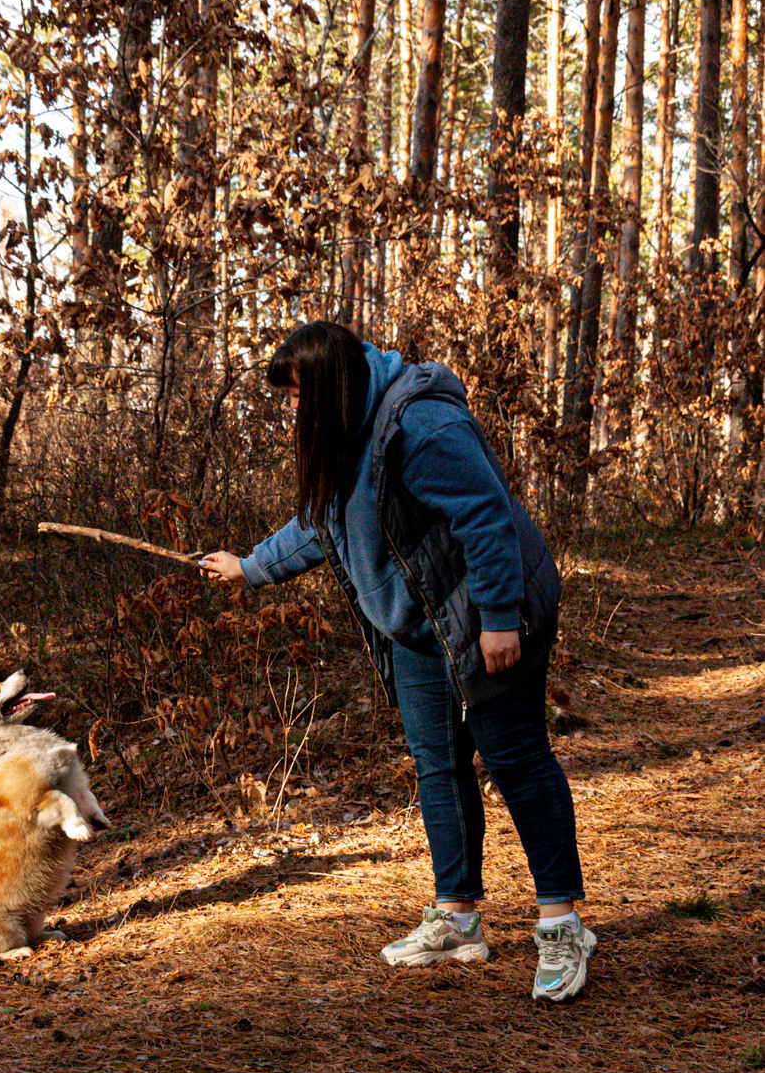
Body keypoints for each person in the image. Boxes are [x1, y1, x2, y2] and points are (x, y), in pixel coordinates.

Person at [201, 322, 595, 1003]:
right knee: (437, 762)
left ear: (331, 386)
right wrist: (252, 567)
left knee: (516, 761)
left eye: (298, 394)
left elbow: (487, 517)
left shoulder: (421, 424)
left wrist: (500, 618)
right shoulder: (346, 433)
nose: (294, 409)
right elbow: (320, 522)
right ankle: (458, 918)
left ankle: (562, 926)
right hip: (418, 625)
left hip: (485, 611)